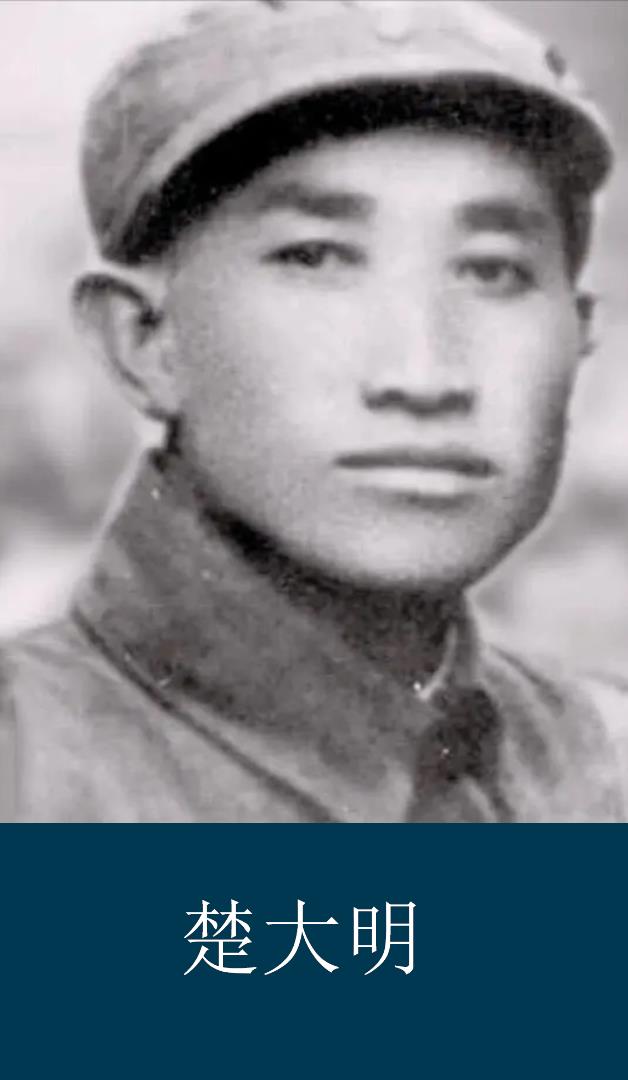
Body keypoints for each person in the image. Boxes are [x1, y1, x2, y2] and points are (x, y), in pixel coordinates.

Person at [2, 0, 627, 822]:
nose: (423, 376)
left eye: (493, 271)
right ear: (144, 340)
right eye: (316, 257)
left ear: (581, 335)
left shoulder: (606, 758)